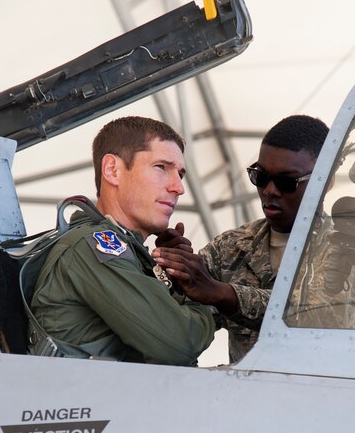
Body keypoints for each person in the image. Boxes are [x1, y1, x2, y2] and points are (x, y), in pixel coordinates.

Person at [29, 116, 215, 364]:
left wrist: (175, 282)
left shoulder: (128, 253)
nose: (179, 187)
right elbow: (180, 344)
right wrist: (200, 297)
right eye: (161, 167)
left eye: (180, 174)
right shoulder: (94, 247)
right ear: (112, 171)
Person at [152, 115, 329, 363]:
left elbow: (313, 313)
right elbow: (185, 321)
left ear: (326, 180)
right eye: (260, 177)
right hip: (246, 398)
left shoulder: (350, 247)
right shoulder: (231, 247)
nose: (269, 190)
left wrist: (222, 293)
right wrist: (174, 274)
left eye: (286, 182)